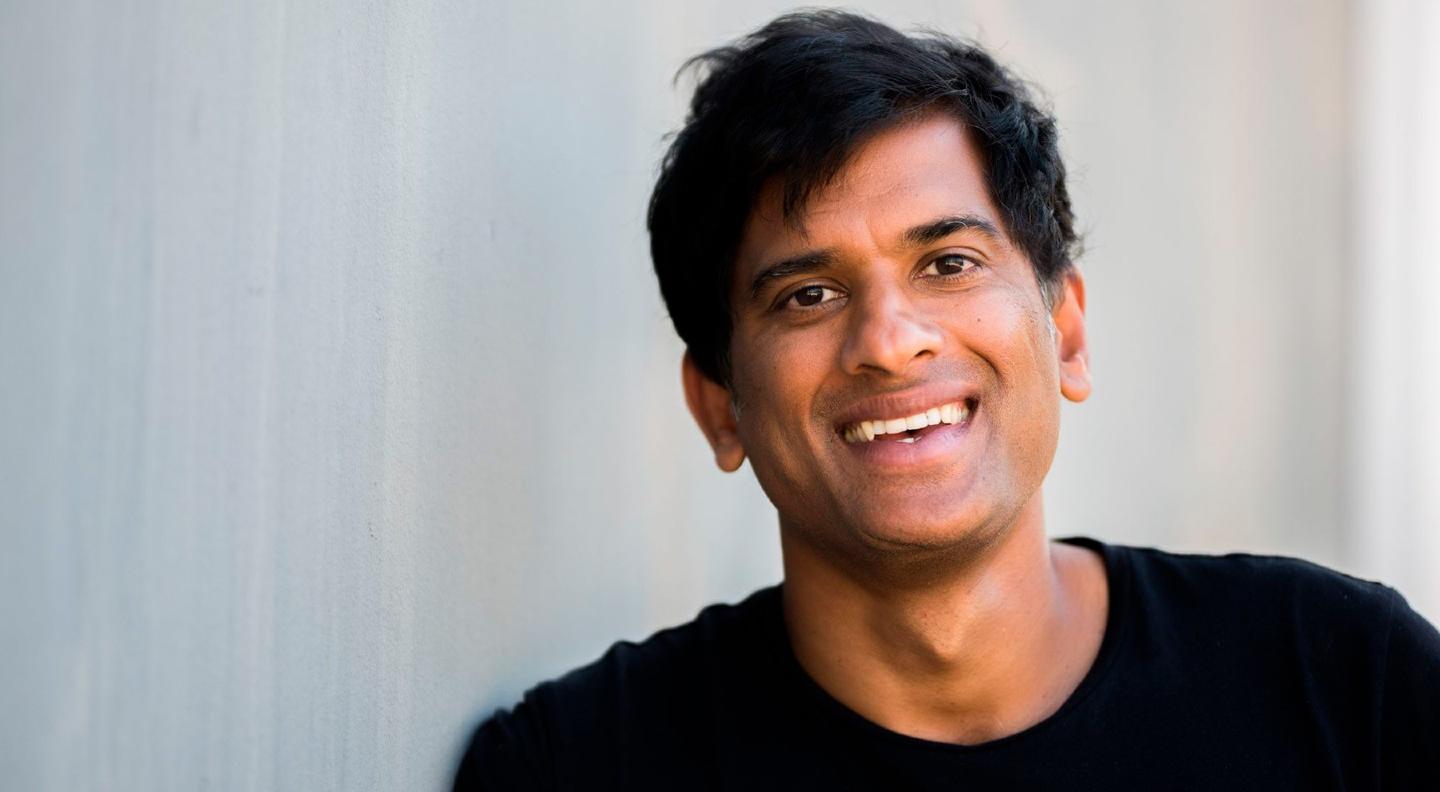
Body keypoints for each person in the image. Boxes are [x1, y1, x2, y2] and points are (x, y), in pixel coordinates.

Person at [454, 10, 1440, 790]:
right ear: (719, 406)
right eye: (809, 294)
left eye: (950, 262)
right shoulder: (578, 766)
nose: (889, 340)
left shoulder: (1344, 685)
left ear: (1068, 332)